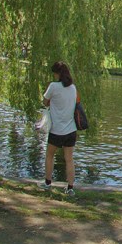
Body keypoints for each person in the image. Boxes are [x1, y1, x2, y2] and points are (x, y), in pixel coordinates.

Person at [42, 61, 79, 195]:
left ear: (58, 74)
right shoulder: (73, 88)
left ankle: (47, 182)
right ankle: (70, 188)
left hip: (57, 129)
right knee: (69, 159)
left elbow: (44, 102)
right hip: (71, 129)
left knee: (49, 155)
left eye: (55, 73)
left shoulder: (53, 86)